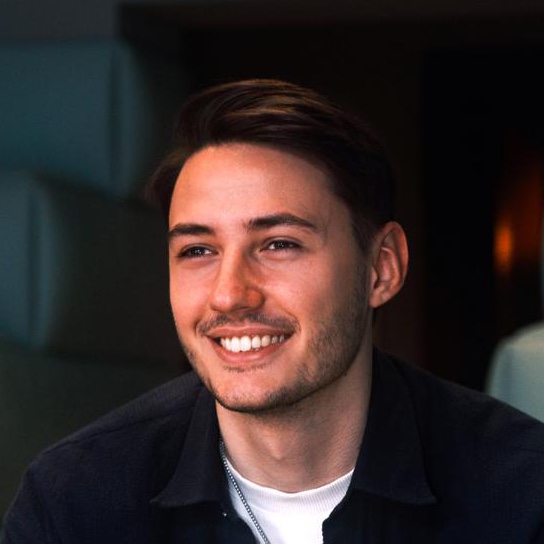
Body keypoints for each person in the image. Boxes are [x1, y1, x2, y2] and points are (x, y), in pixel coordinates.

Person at [2, 78, 544, 544]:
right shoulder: (75, 501)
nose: (229, 295)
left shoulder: (522, 491)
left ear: (382, 268)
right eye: (198, 250)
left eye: (279, 244)